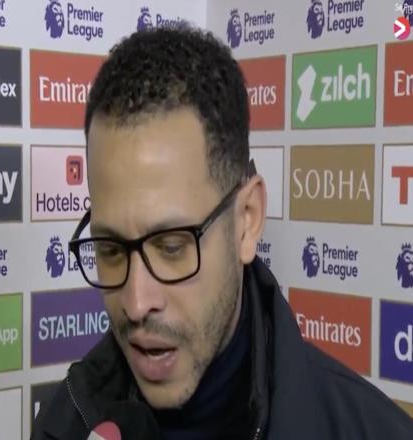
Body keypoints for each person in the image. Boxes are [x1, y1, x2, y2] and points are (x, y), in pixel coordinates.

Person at [31, 27, 413, 440]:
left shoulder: (370, 431)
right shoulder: (66, 422)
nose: (137, 303)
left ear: (246, 221)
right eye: (111, 250)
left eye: (171, 247)